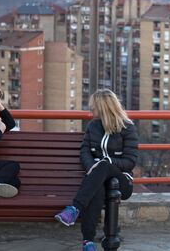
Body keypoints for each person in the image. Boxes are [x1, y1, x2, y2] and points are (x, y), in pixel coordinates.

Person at [54, 89, 138, 251]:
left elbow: (130, 161)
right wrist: (91, 165)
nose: (90, 110)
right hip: (96, 179)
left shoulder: (127, 128)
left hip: (121, 181)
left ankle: (74, 208)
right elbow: (84, 150)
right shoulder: (93, 126)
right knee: (97, 189)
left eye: (93, 107)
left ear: (103, 107)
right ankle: (88, 242)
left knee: (104, 165)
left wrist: (105, 162)